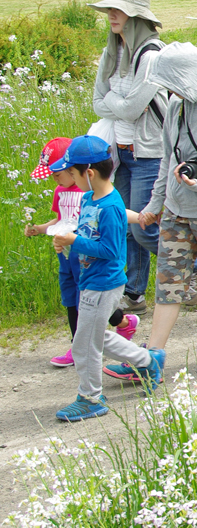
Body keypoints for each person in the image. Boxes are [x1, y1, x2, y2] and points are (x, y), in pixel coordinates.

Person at [104, 42, 197, 382]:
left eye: (171, 82)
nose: (168, 89)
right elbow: (168, 159)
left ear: (186, 78)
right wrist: (155, 204)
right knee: (168, 282)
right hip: (176, 210)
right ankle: (151, 359)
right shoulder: (175, 104)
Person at [89, 0, 197, 318]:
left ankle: (195, 266)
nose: (111, 15)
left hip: (150, 152)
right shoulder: (112, 51)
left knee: (144, 226)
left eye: (119, 9)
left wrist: (118, 103)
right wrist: (120, 103)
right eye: (109, 9)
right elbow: (99, 104)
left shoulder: (152, 55)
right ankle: (134, 293)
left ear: (136, 16)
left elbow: (128, 109)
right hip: (119, 152)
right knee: (125, 226)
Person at [50, 136, 164, 422]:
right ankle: (148, 362)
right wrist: (68, 238)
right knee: (96, 337)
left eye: (73, 173)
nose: (72, 179)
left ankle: (91, 397)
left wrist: (74, 240)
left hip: (104, 283)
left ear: (88, 172)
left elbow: (110, 250)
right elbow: (92, 228)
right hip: (90, 280)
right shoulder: (91, 198)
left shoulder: (109, 205)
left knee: (83, 344)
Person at [25, 138, 138, 368]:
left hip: (97, 268)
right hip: (78, 261)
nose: (57, 179)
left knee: (88, 323)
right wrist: (55, 237)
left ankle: (93, 370)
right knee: (79, 314)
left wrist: (143, 217)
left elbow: (110, 241)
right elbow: (68, 223)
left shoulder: (100, 200)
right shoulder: (77, 196)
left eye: (63, 174)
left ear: (85, 172)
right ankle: (128, 348)